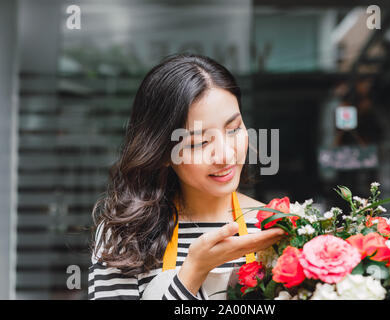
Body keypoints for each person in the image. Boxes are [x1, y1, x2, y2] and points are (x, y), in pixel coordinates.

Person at [88, 53, 284, 300]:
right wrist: (194, 271)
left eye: (234, 129)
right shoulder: (125, 236)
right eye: (199, 142)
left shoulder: (276, 227)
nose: (225, 154)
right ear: (162, 152)